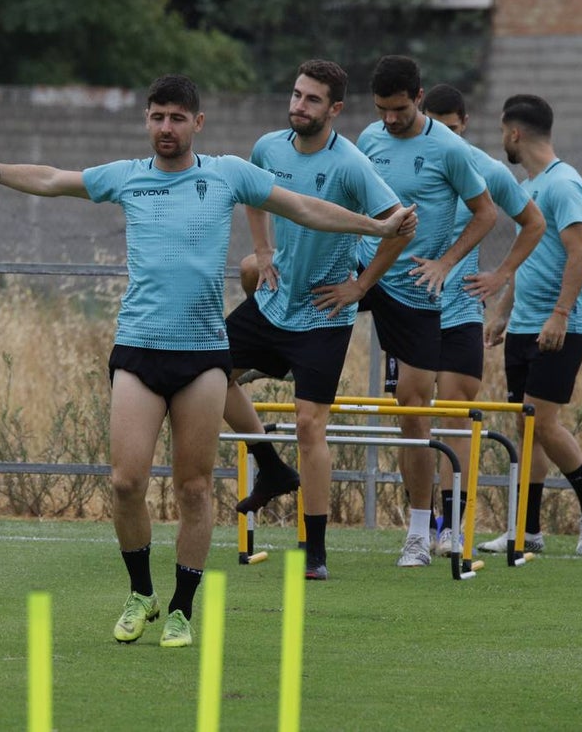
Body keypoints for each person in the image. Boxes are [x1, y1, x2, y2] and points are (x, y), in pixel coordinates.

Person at [0, 74, 416, 646]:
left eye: (176, 118)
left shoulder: (227, 173)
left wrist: (375, 226)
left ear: (198, 123)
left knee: (194, 488)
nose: (165, 128)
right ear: (147, 120)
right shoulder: (127, 177)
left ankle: (181, 610)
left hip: (203, 355)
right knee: (125, 482)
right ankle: (141, 592)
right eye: (156, 117)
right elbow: (50, 178)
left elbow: (303, 208)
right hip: (139, 349)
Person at [221, 59, 404, 581]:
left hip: (324, 312)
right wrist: (262, 250)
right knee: (206, 371)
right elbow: (253, 194)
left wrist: (360, 287)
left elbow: (399, 226)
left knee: (308, 425)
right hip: (273, 301)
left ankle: (315, 551)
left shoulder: (350, 165)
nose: (299, 105)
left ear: (335, 109)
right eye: (297, 95)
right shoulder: (268, 147)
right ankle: (272, 468)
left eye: (313, 99)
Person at [346, 55, 497, 567]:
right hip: (368, 270)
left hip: (418, 289)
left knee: (419, 408)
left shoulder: (451, 150)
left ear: (419, 97)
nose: (390, 119)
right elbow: (357, 202)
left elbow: (487, 213)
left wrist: (447, 263)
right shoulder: (369, 139)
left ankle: (430, 530)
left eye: (400, 109)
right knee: (290, 290)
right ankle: (259, 358)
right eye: (382, 110)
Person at [478, 94, 582, 556]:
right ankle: (527, 530)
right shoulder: (529, 186)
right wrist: (503, 312)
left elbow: (580, 252)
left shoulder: (564, 184)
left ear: (515, 133)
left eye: (503, 132)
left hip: (561, 326)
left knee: (541, 421)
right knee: (526, 427)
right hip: (524, 325)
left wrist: (560, 314)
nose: (503, 140)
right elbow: (529, 256)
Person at [420, 84, 545, 556]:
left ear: (465, 125)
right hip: (410, 313)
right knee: (413, 421)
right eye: (437, 129)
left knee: (455, 417)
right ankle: (420, 525)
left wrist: (501, 274)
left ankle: (451, 526)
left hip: (460, 312)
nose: (446, 138)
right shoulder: (406, 162)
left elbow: (533, 222)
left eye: (453, 129)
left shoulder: (486, 169)